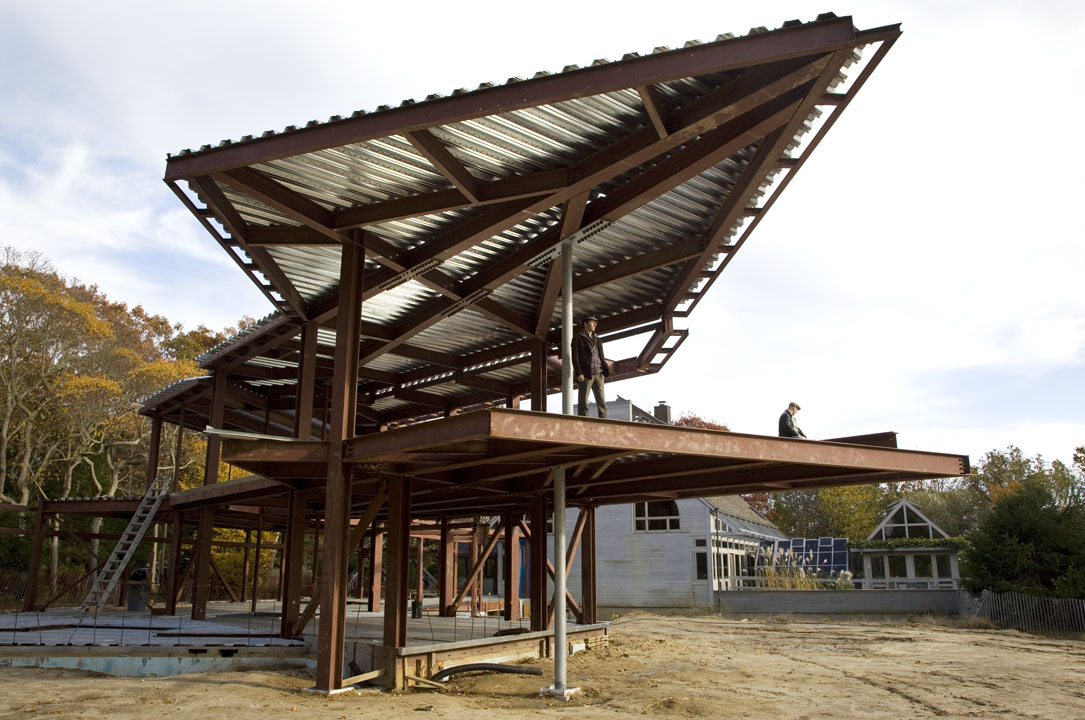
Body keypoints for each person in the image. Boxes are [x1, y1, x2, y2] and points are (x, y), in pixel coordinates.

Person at [572, 315, 609, 418]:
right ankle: (583, 420)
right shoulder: (577, 339)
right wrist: (579, 373)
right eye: (592, 322)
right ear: (585, 324)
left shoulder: (598, 339)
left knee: (601, 400)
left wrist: (604, 369)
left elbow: (601, 355)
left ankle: (605, 422)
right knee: (583, 400)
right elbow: (575, 358)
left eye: (595, 323)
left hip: (599, 372)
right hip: (586, 374)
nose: (595, 324)